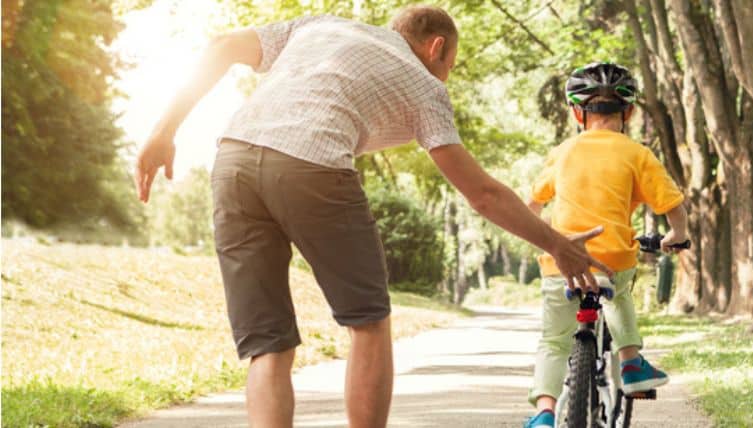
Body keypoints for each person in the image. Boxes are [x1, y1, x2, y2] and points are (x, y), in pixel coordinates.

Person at [134, 6, 611, 428]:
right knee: (368, 322)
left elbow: (221, 46)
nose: (444, 76)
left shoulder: (318, 26)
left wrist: (163, 132)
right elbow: (483, 194)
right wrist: (556, 243)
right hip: (312, 163)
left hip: (232, 161)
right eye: (449, 66)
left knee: (269, 344)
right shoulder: (424, 84)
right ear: (436, 47)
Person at [522, 62, 691, 428]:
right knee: (620, 292)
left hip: (561, 263)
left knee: (553, 341)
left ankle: (543, 413)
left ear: (576, 112)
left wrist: (544, 237)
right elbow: (672, 206)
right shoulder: (637, 154)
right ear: (628, 112)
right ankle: (631, 362)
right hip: (612, 257)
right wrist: (675, 235)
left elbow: (532, 207)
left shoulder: (563, 152)